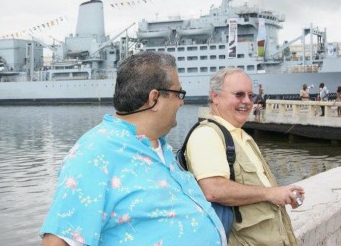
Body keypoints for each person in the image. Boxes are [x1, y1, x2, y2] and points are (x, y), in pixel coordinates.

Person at [40, 52, 226, 246]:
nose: (181, 101)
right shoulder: (94, 154)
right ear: (154, 98)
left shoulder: (157, 144)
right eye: (178, 94)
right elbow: (56, 242)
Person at [185, 68, 304, 246]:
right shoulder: (207, 135)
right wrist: (270, 193)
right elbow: (213, 190)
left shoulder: (240, 136)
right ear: (215, 96)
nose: (247, 101)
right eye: (239, 95)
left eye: (250, 95)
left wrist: (282, 194)